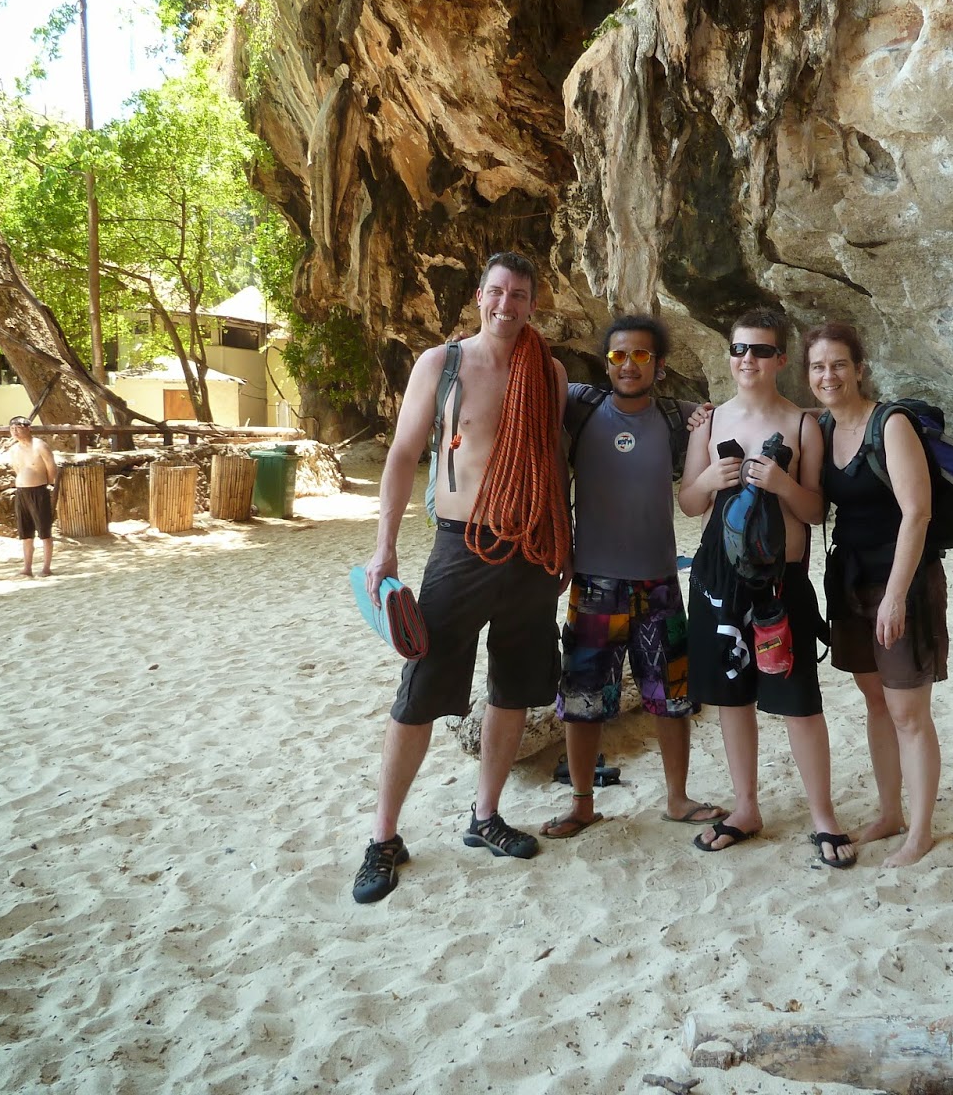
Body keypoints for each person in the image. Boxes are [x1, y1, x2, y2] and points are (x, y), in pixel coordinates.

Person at [355, 250, 572, 904]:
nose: (508, 305)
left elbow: (553, 460)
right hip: (461, 546)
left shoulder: (549, 372)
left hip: (531, 551)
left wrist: (563, 543)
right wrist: (384, 548)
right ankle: (383, 837)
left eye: (520, 295)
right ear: (480, 297)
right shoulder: (441, 365)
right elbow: (401, 455)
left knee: (514, 687)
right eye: (497, 292)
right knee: (421, 690)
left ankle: (486, 815)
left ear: (533, 304)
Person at [678, 308, 855, 868]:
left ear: (780, 360)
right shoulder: (708, 422)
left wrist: (781, 483)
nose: (747, 359)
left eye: (760, 350)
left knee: (799, 701)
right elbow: (690, 504)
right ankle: (746, 808)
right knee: (733, 700)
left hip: (782, 581)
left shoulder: (803, 425)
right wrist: (709, 479)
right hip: (719, 580)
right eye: (739, 349)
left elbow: (816, 510)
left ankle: (823, 815)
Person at [542, 315, 727, 839]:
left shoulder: (676, 416)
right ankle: (581, 804)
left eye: (641, 355)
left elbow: (739, 416)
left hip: (659, 583)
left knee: (672, 697)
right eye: (618, 355)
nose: (629, 365)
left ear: (659, 366)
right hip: (593, 584)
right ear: (606, 363)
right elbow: (530, 376)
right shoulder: (581, 405)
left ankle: (677, 798)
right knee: (583, 699)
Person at [807, 322, 947, 867]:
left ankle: (920, 831)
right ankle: (890, 813)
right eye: (818, 366)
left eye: (839, 364)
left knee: (908, 710)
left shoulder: (890, 424)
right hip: (849, 579)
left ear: (860, 369)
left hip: (901, 581)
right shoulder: (822, 427)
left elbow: (918, 513)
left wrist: (895, 597)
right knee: (875, 702)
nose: (829, 375)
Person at [7, 416, 59, 578]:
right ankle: (27, 567)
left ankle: (46, 567)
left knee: (44, 531)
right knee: (26, 533)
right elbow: (17, 469)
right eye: (12, 428)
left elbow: (52, 469)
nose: (15, 431)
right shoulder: (13, 450)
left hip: (39, 491)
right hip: (22, 492)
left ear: (28, 428)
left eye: (18, 428)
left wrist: (45, 484)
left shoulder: (40, 446)